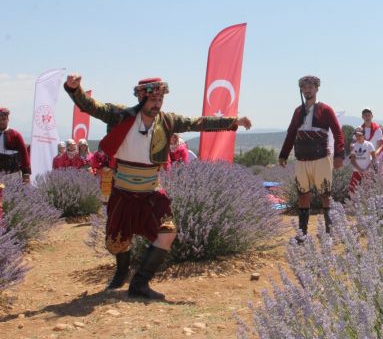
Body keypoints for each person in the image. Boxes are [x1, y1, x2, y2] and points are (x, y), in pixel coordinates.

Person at [64, 74, 251, 299]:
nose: (157, 104)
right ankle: (122, 273)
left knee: (168, 232)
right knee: (118, 241)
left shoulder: (167, 121)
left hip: (152, 192)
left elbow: (198, 122)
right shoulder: (121, 116)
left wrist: (233, 121)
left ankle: (140, 283)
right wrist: (75, 89)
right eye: (153, 99)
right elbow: (91, 107)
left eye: (160, 99)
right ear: (141, 98)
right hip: (122, 191)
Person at [278, 76, 344, 241]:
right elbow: (291, 133)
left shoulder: (325, 109)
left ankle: (329, 233)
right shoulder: (298, 111)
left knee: (325, 194)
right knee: (302, 195)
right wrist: (284, 154)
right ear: (301, 90)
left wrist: (339, 155)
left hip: (321, 158)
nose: (307, 90)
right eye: (304, 87)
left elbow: (338, 132)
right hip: (301, 159)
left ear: (316, 89)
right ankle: (302, 234)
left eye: (310, 87)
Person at [0, 107, 31, 183]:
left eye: (3, 119)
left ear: (8, 119)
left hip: (13, 175)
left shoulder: (15, 135)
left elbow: (24, 155)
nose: (1, 122)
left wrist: (26, 174)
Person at [348, 127, 376, 193]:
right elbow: (352, 160)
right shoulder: (353, 145)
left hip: (367, 172)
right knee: (352, 190)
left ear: (364, 135)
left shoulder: (369, 144)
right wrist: (360, 170)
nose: (357, 137)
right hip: (356, 171)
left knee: (368, 190)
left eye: (359, 135)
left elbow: (374, 158)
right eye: (356, 135)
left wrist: (367, 169)